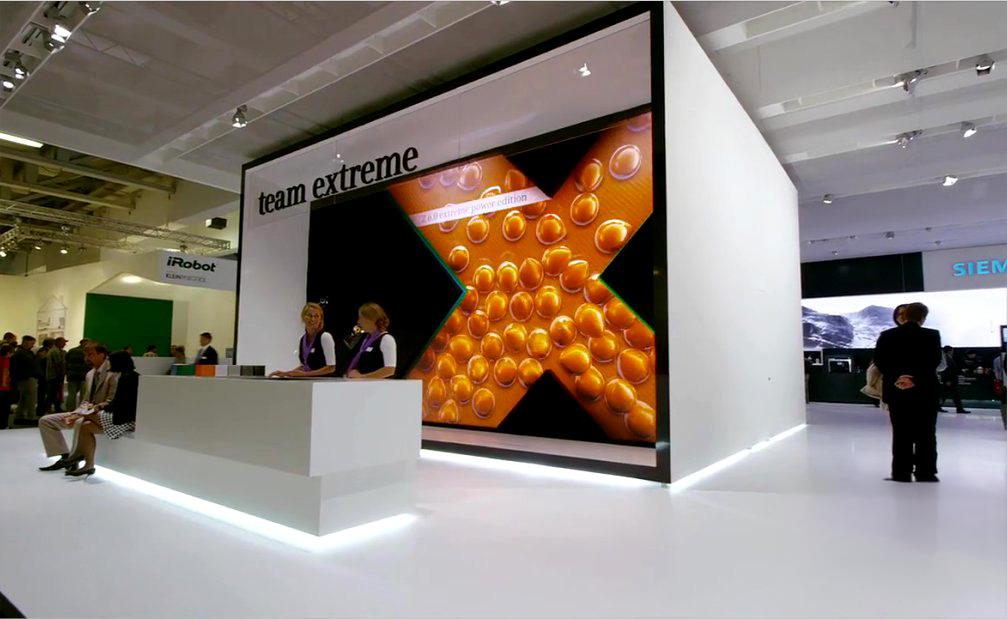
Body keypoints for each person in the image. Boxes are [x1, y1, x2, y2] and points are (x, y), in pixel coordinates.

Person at [873, 302, 943, 482]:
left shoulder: (887, 335)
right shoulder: (932, 335)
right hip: (925, 391)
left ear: (904, 316)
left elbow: (880, 361)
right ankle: (926, 472)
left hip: (897, 391)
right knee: (926, 433)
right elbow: (933, 361)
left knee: (901, 433)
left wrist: (899, 377)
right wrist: (914, 379)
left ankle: (901, 472)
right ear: (923, 317)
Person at [37, 343, 119, 472]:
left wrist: (82, 414)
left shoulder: (114, 373)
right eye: (85, 355)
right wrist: (76, 413)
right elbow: (86, 400)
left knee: (80, 422)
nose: (87, 358)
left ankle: (75, 459)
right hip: (88, 413)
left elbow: (111, 401)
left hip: (104, 415)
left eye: (90, 354)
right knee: (45, 421)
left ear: (102, 355)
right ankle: (65, 457)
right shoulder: (90, 374)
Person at [63, 352, 139, 478]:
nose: (108, 364)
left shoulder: (128, 378)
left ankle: (76, 454)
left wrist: (100, 407)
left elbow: (122, 403)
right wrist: (101, 407)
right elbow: (119, 402)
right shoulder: (128, 376)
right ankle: (89, 465)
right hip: (121, 416)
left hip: (125, 419)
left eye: (110, 361)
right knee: (85, 426)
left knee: (86, 416)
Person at [269, 302, 336, 378]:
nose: (313, 319)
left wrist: (304, 374)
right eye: (309, 315)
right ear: (303, 317)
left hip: (322, 383)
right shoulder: (302, 339)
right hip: (309, 382)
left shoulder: (325, 337)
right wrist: (286, 374)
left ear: (321, 319)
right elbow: (304, 367)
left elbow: (331, 368)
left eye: (316, 316)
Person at [345, 302, 397, 379]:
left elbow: (390, 370)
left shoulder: (386, 339)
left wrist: (362, 377)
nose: (358, 321)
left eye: (360, 318)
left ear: (370, 319)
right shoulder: (366, 339)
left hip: (376, 385)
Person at [10, 336, 40, 421]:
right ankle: (31, 416)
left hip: (25, 377)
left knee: (23, 398)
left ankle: (19, 415)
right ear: (26, 342)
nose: (32, 346)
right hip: (26, 377)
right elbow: (30, 364)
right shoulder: (22, 353)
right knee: (31, 398)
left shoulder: (23, 352)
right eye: (32, 343)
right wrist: (38, 357)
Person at [938, 346, 969, 414]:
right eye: (952, 350)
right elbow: (946, 371)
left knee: (945, 395)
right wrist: (947, 380)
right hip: (950, 380)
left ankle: (938, 406)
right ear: (950, 351)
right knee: (954, 395)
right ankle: (959, 409)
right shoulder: (946, 359)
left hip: (950, 380)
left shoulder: (947, 358)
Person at [64, 339, 89, 411]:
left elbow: (66, 361)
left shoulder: (71, 350)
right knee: (83, 395)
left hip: (72, 375)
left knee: (71, 394)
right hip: (83, 375)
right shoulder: (86, 352)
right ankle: (81, 410)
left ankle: (70, 410)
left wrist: (67, 372)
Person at [46, 337, 68, 413]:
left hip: (55, 375)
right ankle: (50, 408)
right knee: (52, 393)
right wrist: (60, 375)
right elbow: (57, 364)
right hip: (54, 376)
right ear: (58, 342)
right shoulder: (55, 351)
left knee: (55, 393)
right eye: (63, 342)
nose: (64, 344)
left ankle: (56, 407)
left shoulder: (58, 350)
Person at [35, 338, 54, 416]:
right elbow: (42, 362)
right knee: (42, 394)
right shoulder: (44, 351)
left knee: (44, 394)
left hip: (45, 375)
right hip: (44, 376)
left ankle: (42, 409)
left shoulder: (43, 350)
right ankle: (41, 410)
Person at [0, 344, 12, 430]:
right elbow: (5, 371)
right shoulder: (6, 360)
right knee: (5, 407)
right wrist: (4, 383)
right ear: (8, 352)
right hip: (3, 387)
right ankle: (4, 425)